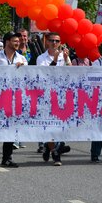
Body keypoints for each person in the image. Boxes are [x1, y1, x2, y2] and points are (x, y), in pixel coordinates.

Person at [0, 32, 28, 168]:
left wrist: (22, 69)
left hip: (15, 97)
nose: (17, 43)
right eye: (15, 41)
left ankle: (7, 157)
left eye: (18, 41)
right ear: (7, 41)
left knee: (11, 127)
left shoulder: (22, 58)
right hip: (0, 96)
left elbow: (28, 77)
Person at [36, 32, 72, 166]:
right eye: (52, 41)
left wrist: (67, 59)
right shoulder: (41, 58)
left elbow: (72, 72)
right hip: (47, 95)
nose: (55, 43)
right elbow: (45, 75)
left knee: (62, 125)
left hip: (62, 94)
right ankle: (55, 152)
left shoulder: (64, 56)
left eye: (57, 41)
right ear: (47, 42)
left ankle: (49, 146)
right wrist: (55, 60)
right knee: (49, 124)